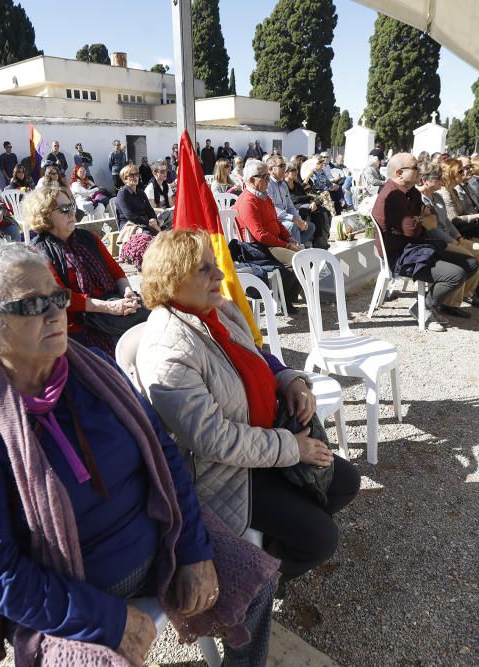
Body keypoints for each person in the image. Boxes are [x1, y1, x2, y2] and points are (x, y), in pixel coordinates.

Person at [0, 242, 276, 667]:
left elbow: (165, 457)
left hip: (156, 545)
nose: (55, 311)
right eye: (33, 304)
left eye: (56, 296)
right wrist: (109, 621)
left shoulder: (94, 370)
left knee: (255, 580)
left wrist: (194, 551)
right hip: (67, 595)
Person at [136, 229, 360, 586]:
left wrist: (290, 380)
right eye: (205, 269)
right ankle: (260, 582)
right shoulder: (168, 350)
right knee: (321, 538)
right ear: (172, 278)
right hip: (222, 472)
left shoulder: (216, 311)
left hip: (262, 441)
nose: (220, 275)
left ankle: (272, 546)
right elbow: (214, 441)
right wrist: (293, 449)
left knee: (345, 482)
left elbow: (256, 356)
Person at [25, 186, 147, 355]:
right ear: (45, 215)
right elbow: (60, 297)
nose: (71, 213)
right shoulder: (39, 252)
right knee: (126, 351)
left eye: (72, 206)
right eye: (63, 209)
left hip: (114, 308)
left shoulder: (88, 238)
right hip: (80, 325)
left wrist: (128, 294)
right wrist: (109, 307)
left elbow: (116, 271)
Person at [371, 152, 475, 332]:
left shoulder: (411, 192)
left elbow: (430, 218)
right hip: (401, 255)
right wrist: (423, 219)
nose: (420, 170)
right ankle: (423, 308)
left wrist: (422, 219)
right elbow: (413, 229)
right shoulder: (391, 196)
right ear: (399, 173)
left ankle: (426, 304)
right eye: (415, 167)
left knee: (471, 263)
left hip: (419, 246)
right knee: (455, 274)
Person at [232, 160, 303, 308]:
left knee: (301, 253)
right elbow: (260, 235)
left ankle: (287, 297)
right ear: (252, 180)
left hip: (272, 242)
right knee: (294, 260)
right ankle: (284, 301)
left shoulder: (263, 196)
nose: (268, 180)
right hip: (258, 247)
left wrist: (289, 238)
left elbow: (276, 221)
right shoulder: (247, 201)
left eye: (268, 176)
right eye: (265, 177)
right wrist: (287, 245)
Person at [418, 167, 479, 311]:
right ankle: (450, 302)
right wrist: (452, 241)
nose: (441, 181)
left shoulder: (438, 196)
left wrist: (458, 236)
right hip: (437, 241)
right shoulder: (421, 200)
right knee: (466, 257)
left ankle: (466, 292)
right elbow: (432, 230)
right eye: (437, 179)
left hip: (449, 237)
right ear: (425, 181)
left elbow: (447, 222)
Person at [433, 159, 479, 307]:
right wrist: (472, 218)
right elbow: (451, 220)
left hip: (457, 233)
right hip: (449, 235)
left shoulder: (453, 191)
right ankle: (459, 297)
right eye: (460, 171)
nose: (465, 173)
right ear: (451, 174)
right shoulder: (443, 193)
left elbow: (452, 220)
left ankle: (473, 288)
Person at [266, 154, 315, 248]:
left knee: (310, 227)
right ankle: (298, 254)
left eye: (285, 165)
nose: (285, 168)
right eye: (281, 166)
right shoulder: (268, 185)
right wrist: (293, 219)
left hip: (285, 218)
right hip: (275, 220)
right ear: (271, 169)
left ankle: (296, 246)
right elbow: (271, 209)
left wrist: (300, 220)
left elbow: (290, 206)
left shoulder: (283, 185)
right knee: (292, 226)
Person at [115, 164, 164, 235]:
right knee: (148, 234)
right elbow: (130, 215)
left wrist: (154, 219)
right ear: (125, 178)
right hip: (129, 225)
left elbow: (149, 209)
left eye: (137, 174)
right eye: (132, 175)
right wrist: (148, 222)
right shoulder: (122, 194)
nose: (135, 177)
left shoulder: (141, 192)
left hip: (145, 222)